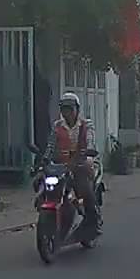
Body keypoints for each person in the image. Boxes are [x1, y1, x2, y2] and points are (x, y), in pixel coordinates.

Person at [43, 92, 101, 235]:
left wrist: (88, 154)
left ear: (77, 109)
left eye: (70, 109)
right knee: (44, 186)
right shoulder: (57, 126)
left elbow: (90, 141)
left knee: (84, 188)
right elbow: (51, 146)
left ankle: (93, 220)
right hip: (62, 166)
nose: (67, 113)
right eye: (64, 109)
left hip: (82, 164)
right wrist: (45, 159)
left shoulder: (86, 125)